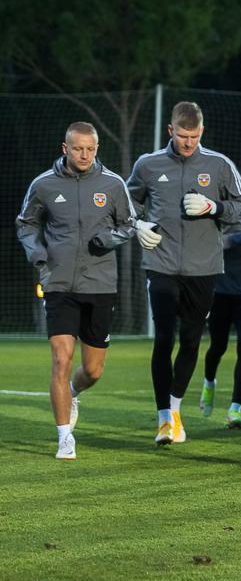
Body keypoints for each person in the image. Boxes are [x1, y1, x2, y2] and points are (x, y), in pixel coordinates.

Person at [127, 101, 241, 444]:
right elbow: (126, 204)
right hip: (160, 264)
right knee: (164, 337)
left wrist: (214, 206)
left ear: (202, 131)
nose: (188, 142)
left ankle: (176, 410)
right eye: (182, 136)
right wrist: (137, 225)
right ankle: (164, 418)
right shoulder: (148, 164)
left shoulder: (219, 165)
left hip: (204, 267)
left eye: (194, 136)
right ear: (171, 130)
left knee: (192, 339)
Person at [16, 121, 136, 460]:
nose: (84, 155)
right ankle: (64, 437)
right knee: (60, 359)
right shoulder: (43, 184)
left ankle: (73, 392)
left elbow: (130, 224)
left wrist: (107, 239)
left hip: (100, 285)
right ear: (65, 148)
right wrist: (39, 257)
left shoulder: (113, 184)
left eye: (90, 149)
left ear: (97, 149)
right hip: (58, 284)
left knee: (93, 370)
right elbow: (26, 223)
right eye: (78, 148)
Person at [200, 158, 241, 429]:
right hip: (222, 290)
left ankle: (235, 408)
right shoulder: (226, 209)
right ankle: (209, 382)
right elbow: (216, 242)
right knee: (218, 346)